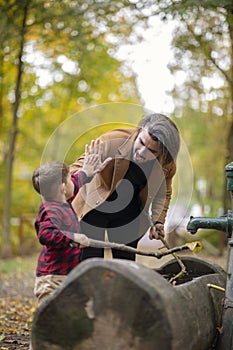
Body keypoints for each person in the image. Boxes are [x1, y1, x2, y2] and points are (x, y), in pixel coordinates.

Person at [70, 113, 180, 261]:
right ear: (139, 131)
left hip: (130, 213)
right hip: (95, 204)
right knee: (89, 261)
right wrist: (82, 174)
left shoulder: (167, 165)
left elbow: (164, 193)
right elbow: (77, 166)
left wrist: (158, 221)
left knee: (125, 264)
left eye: (151, 151)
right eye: (141, 142)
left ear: (163, 153)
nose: (141, 152)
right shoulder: (112, 140)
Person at [32, 141, 111, 305]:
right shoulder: (50, 210)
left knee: (73, 310)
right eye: (68, 178)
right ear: (62, 188)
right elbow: (45, 235)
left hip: (67, 273)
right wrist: (73, 237)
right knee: (51, 314)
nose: (72, 180)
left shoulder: (63, 199)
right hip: (52, 278)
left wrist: (87, 172)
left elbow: (76, 181)